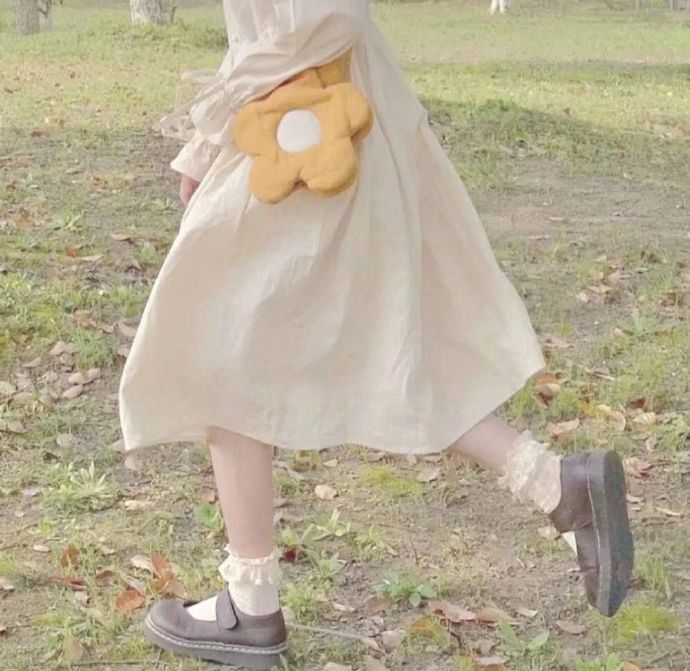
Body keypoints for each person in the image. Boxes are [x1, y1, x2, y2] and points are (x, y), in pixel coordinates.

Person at [118, 2, 634, 669]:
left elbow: (315, 19)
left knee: (223, 342)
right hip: (319, 112)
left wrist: (215, 127)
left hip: (312, 119)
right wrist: (211, 137)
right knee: (366, 346)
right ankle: (557, 484)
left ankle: (251, 605)